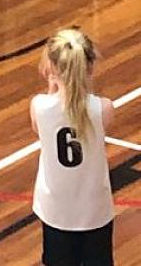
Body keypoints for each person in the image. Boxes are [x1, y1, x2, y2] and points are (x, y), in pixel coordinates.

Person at [31, 27, 115, 266]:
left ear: (51, 68)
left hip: (56, 210)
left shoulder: (39, 106)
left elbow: (40, 130)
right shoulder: (103, 108)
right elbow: (82, 108)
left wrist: (52, 89)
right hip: (94, 210)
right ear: (90, 67)